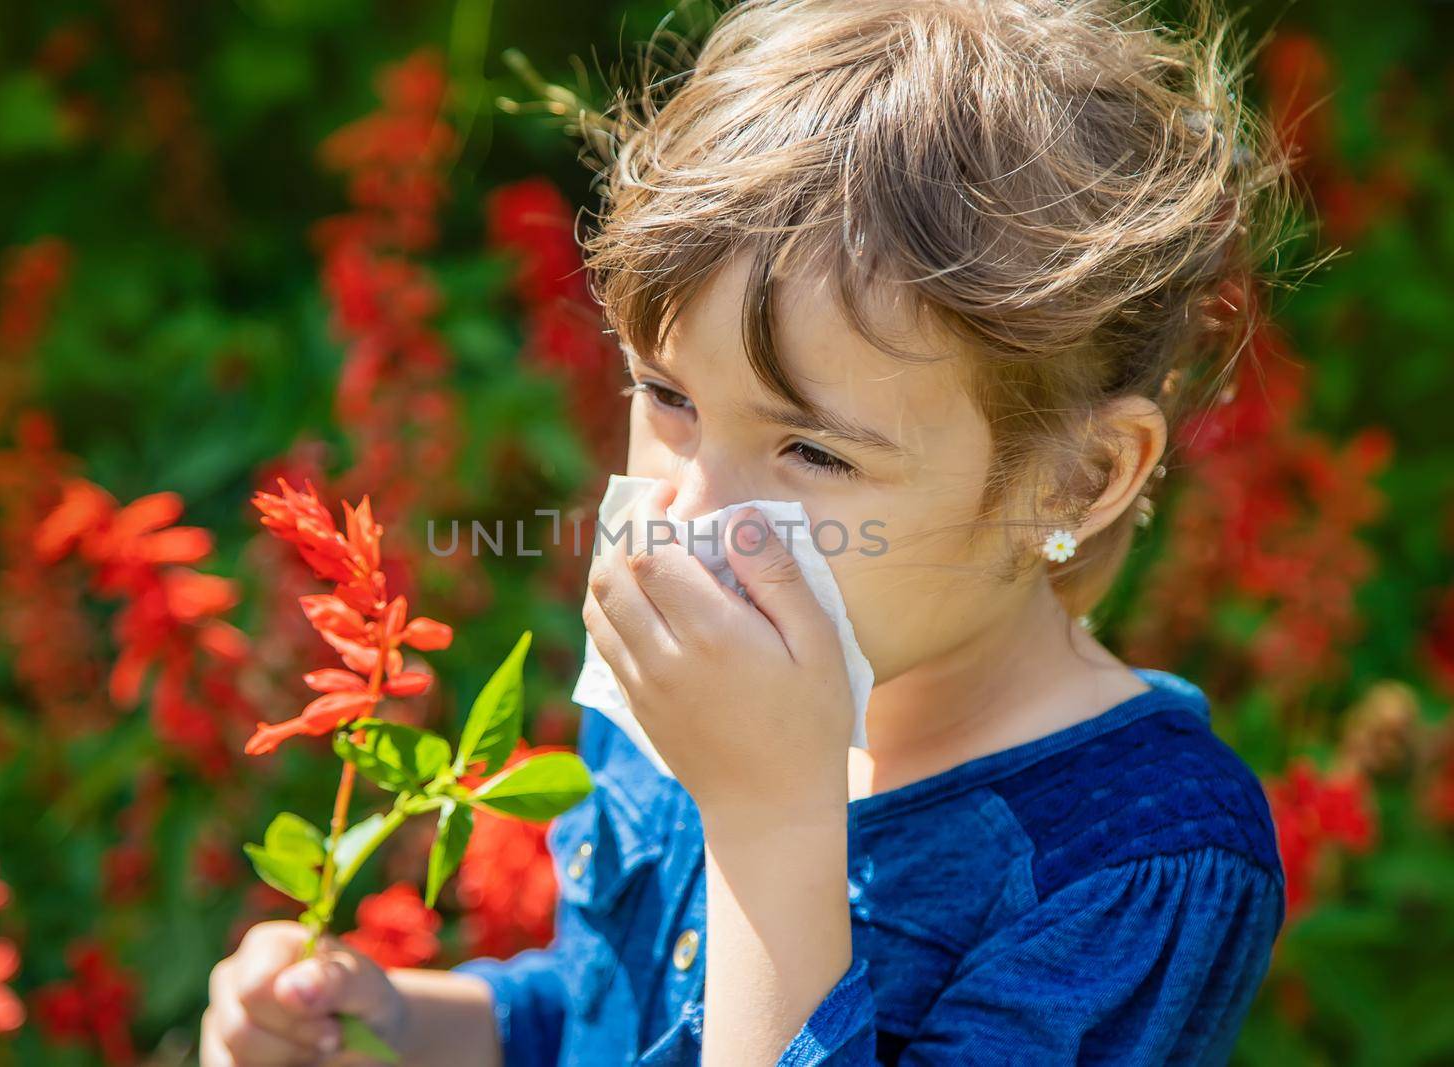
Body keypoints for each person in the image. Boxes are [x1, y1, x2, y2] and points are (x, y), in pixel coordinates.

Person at [201, 0, 1301, 1062]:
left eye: (814, 453)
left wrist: (772, 823)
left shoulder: (1139, 858)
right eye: (667, 398)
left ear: (1077, 478)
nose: (686, 516)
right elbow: (604, 1007)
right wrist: (404, 1023)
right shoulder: (701, 675)